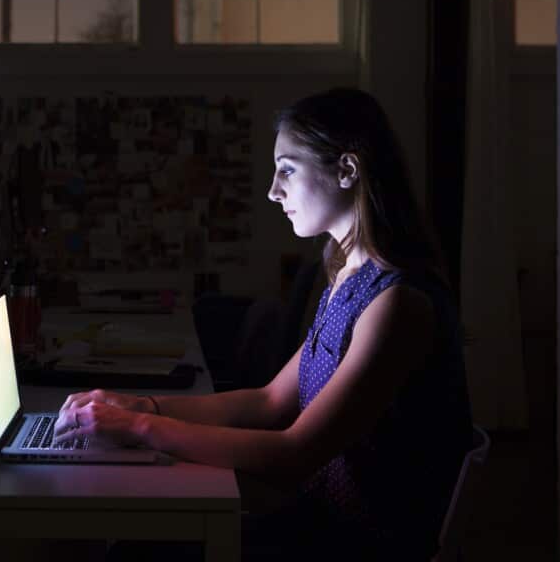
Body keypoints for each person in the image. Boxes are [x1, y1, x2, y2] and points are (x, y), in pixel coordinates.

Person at [53, 88, 473, 560]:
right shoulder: (347, 278)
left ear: (347, 171)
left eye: (287, 170)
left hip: (353, 544)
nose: (273, 191)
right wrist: (138, 404)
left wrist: (137, 426)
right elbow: (269, 400)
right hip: (313, 521)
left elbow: (293, 455)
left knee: (140, 552)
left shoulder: (397, 304)